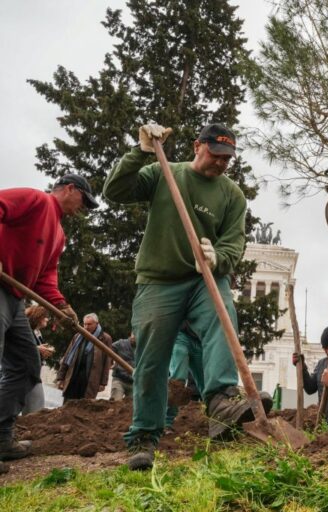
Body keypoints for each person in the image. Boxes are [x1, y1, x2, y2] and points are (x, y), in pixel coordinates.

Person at [104, 123, 250, 471]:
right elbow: (116, 190)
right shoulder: (164, 173)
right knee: (152, 359)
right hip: (159, 280)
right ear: (198, 146)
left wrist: (218, 258)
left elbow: (233, 244)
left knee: (222, 316)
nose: (221, 163)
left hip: (203, 278)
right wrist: (140, 152)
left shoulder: (232, 196)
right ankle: (144, 437)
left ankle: (221, 401)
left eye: (227, 159)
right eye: (215, 155)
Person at [0, 174, 96, 468]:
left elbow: (45, 277)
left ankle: (2, 438)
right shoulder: (36, 199)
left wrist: (61, 306)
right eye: (84, 200)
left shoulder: (58, 234)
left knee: (26, 364)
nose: (83, 208)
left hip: (16, 298)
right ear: (69, 189)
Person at [56, 313, 113, 401]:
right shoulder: (78, 336)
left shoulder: (105, 338)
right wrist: (61, 377)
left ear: (96, 324)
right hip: (74, 375)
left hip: (90, 378)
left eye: (89, 324)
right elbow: (67, 356)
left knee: (85, 403)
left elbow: (107, 362)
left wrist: (103, 383)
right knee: (68, 403)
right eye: (85, 324)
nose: (86, 327)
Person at [20, 305, 55, 414]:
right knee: (35, 410)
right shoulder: (26, 331)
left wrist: (43, 352)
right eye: (45, 317)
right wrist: (37, 349)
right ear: (38, 317)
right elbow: (19, 347)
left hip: (32, 374)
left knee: (33, 410)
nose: (47, 319)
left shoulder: (37, 333)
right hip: (25, 374)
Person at [110, 333, 136, 401]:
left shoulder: (143, 348)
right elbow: (108, 350)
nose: (135, 337)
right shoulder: (121, 343)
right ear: (131, 334)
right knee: (115, 402)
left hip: (134, 382)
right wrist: (111, 363)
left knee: (132, 405)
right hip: (119, 379)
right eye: (134, 334)